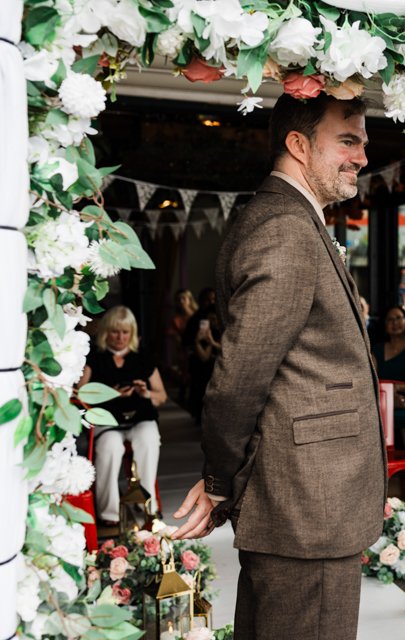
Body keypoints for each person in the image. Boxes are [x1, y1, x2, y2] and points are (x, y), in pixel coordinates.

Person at [170, 93, 386, 640]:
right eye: (348, 140)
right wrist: (220, 478)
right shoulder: (286, 228)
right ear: (298, 144)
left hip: (308, 507)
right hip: (306, 510)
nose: (363, 155)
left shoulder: (291, 220)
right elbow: (239, 380)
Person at [78, 305, 167, 525]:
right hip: (107, 421)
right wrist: (111, 394)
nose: (120, 337)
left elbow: (161, 396)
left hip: (140, 418)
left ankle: (147, 504)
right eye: (115, 332)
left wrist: (145, 393)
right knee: (109, 448)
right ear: (107, 332)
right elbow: (80, 396)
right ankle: (109, 514)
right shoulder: (95, 357)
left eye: (125, 332)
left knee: (149, 441)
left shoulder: (142, 356)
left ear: (132, 333)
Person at [372, 304, 405, 451]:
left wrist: (393, 389)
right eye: (390, 320)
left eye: (399, 318)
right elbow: (371, 380)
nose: (395, 323)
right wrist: (387, 395)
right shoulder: (377, 349)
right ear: (384, 325)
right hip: (380, 404)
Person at [182, 304, 222, 422]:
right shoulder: (201, 332)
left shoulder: (224, 332)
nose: (213, 322)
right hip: (202, 369)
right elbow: (204, 357)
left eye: (215, 319)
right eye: (210, 319)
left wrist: (212, 342)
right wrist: (198, 341)